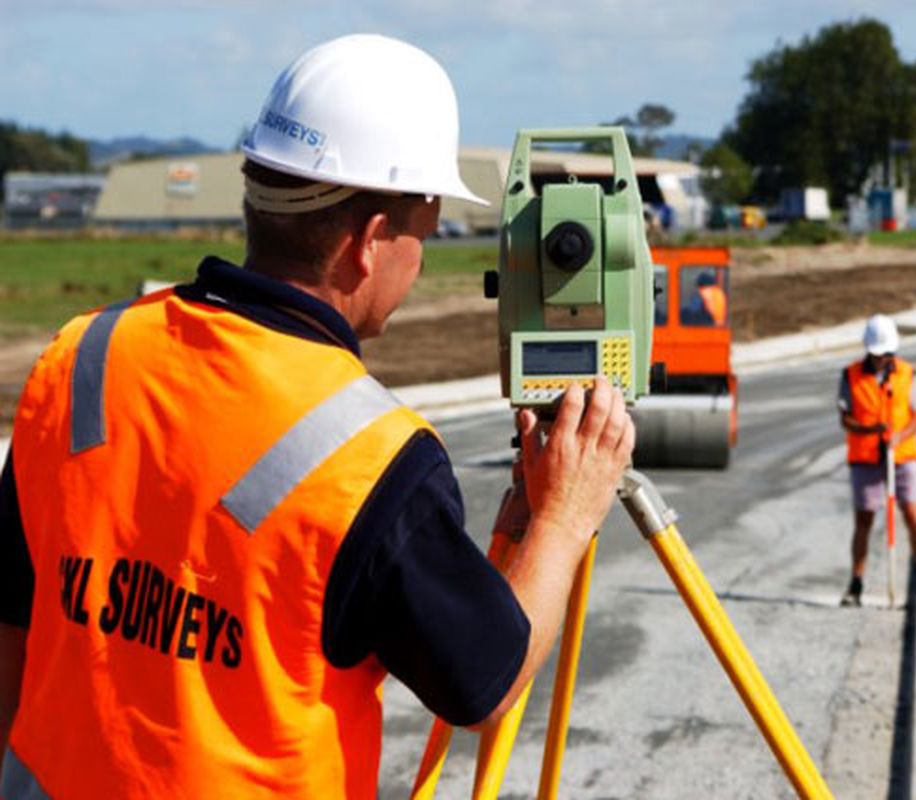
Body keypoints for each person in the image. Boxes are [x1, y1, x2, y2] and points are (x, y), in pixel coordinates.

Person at [0, 34, 634, 799]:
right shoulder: (371, 457)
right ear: (370, 243)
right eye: (422, 236)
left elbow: (13, 621)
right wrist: (565, 515)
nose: (419, 262)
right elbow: (483, 682)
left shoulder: (82, 356)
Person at [836, 314, 916, 606]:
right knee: (864, 519)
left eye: (887, 353)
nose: (882, 358)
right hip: (866, 457)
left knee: (911, 512)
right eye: (877, 353)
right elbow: (846, 419)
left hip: (902, 455)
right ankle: (856, 583)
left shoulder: (908, 373)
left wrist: (899, 437)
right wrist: (871, 431)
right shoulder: (851, 375)